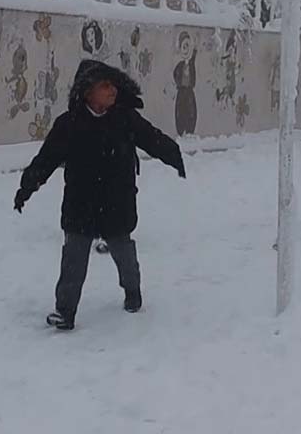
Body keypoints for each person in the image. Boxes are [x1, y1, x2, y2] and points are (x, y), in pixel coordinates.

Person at [14, 59, 186, 331]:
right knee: (73, 259)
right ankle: (65, 311)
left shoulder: (125, 118)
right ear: (87, 92)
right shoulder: (69, 124)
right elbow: (46, 160)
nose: (112, 91)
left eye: (113, 85)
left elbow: (152, 139)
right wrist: (27, 188)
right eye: (104, 86)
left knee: (124, 255)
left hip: (117, 204)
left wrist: (174, 157)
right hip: (80, 205)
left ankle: (133, 292)